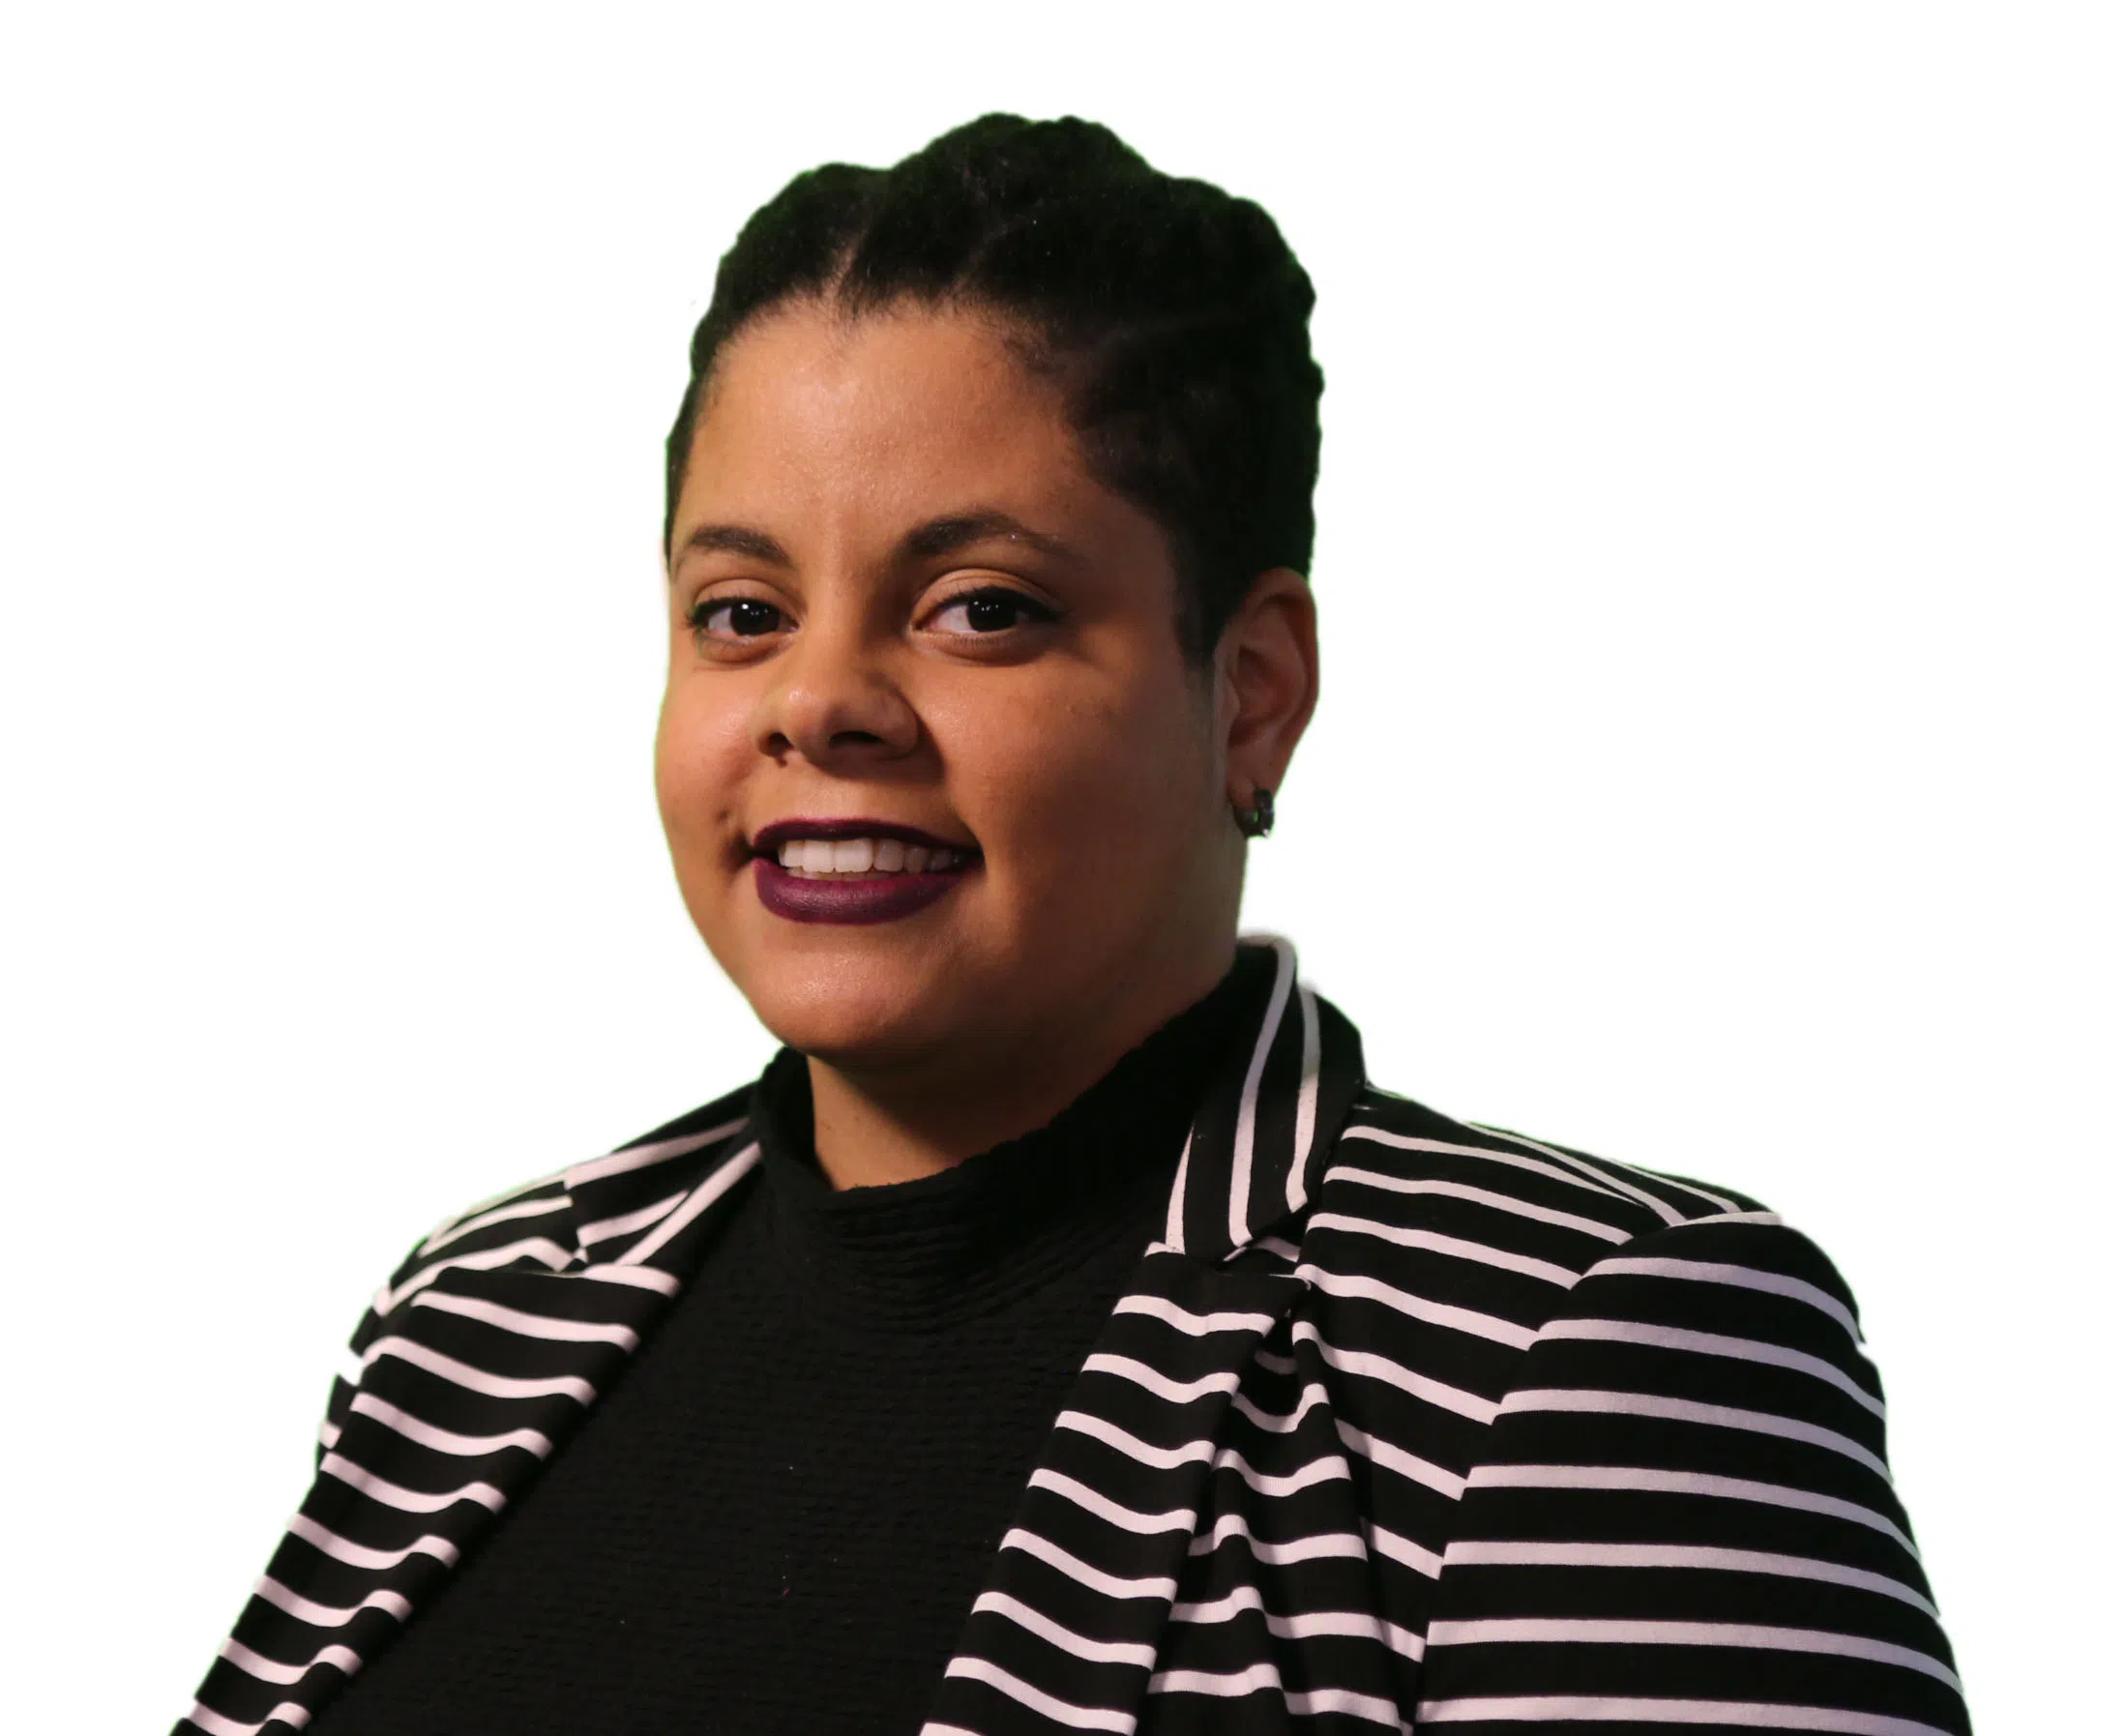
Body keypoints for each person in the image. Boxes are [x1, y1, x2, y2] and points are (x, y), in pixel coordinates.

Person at [178, 115, 1966, 1736]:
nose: (818, 701)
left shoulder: (1596, 1352)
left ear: (1250, 691)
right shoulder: (472, 1317)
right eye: (740, 611)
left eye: (981, 607)